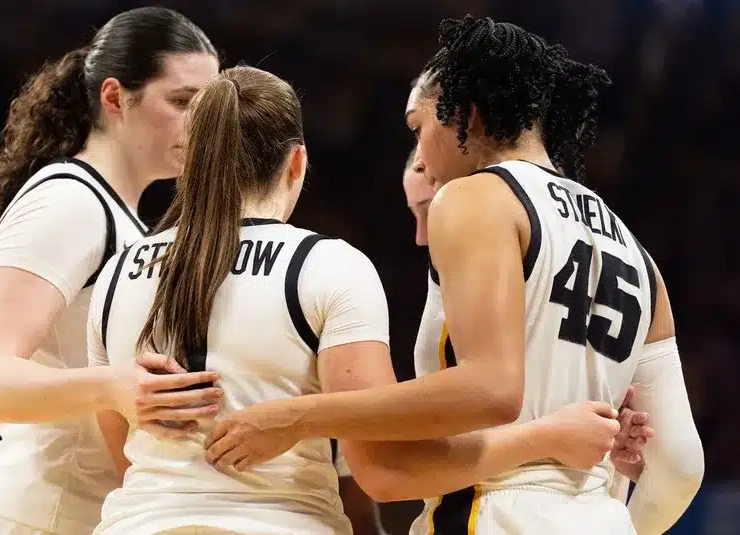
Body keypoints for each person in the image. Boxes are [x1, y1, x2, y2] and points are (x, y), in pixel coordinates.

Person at [204, 16, 702, 535]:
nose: (420, 157)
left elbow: (491, 389)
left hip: (494, 514)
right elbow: (681, 465)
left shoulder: (475, 197)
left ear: (462, 111)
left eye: (419, 127)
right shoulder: (636, 251)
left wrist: (298, 416)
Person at [0, 8, 221, 535]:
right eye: (183, 102)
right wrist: (112, 387)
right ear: (115, 97)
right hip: (39, 517)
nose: (202, 123)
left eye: (210, 106)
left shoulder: (122, 214)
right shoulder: (68, 202)